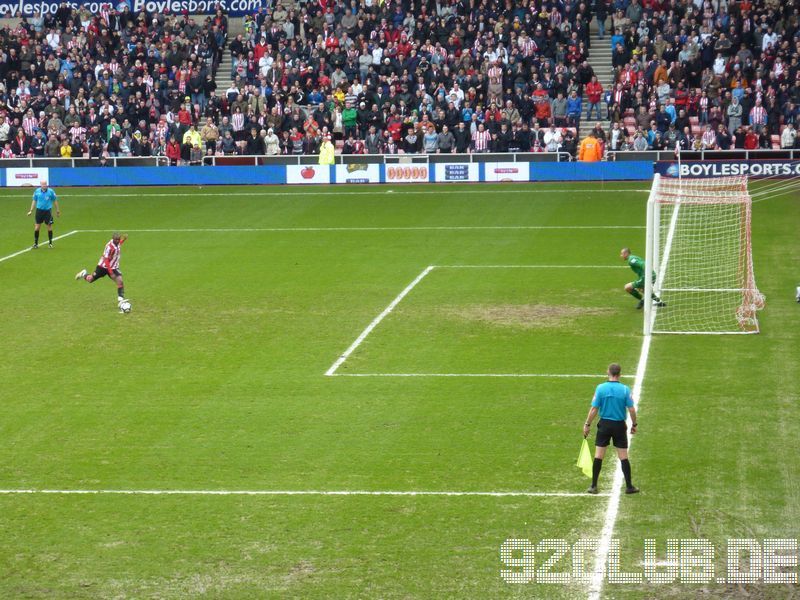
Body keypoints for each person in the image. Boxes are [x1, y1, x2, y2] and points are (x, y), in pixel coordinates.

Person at [582, 363, 639, 495]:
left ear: (608, 372)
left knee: (598, 455)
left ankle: (593, 486)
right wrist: (634, 424)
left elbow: (594, 409)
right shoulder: (625, 390)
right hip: (619, 425)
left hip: (605, 425)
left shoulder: (600, 388)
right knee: (623, 456)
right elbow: (631, 409)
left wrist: (587, 424)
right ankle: (629, 486)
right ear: (620, 374)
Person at [75, 232, 129, 311]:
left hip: (114, 267)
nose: (118, 241)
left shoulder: (117, 244)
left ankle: (121, 300)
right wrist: (110, 273)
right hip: (103, 267)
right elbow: (106, 260)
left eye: (118, 239)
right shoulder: (109, 247)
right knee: (90, 280)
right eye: (116, 240)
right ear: (113, 239)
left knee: (120, 281)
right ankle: (84, 274)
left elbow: (119, 244)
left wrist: (123, 240)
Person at [27, 180, 60, 249]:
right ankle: (36, 244)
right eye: (43, 184)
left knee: (49, 227)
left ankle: (50, 243)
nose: (44, 185)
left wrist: (57, 210)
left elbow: (55, 200)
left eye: (45, 184)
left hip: (48, 212)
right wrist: (31, 210)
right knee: (37, 228)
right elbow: (34, 200)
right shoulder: (37, 191)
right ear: (40, 185)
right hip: (39, 211)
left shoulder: (51, 191)